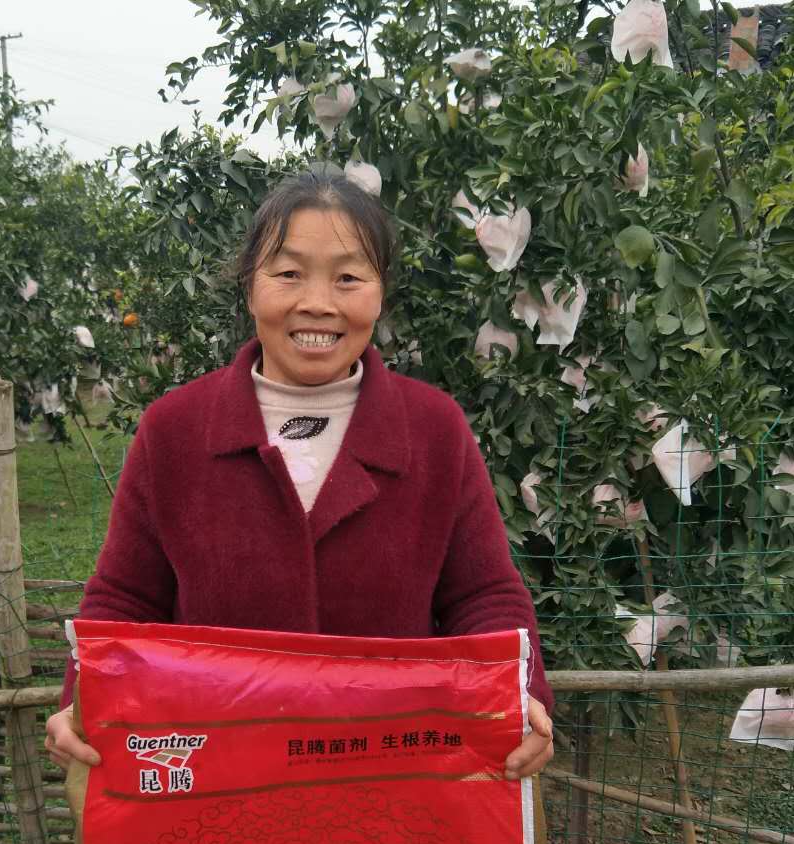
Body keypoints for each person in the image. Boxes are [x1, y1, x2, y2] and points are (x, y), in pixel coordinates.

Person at [45, 169, 553, 776]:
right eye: (288, 274)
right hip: (215, 771)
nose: (317, 302)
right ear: (250, 287)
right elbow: (126, 598)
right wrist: (83, 695)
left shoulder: (433, 431)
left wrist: (516, 695)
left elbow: (483, 596)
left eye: (348, 277)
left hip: (393, 772)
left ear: (380, 291)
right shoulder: (175, 430)